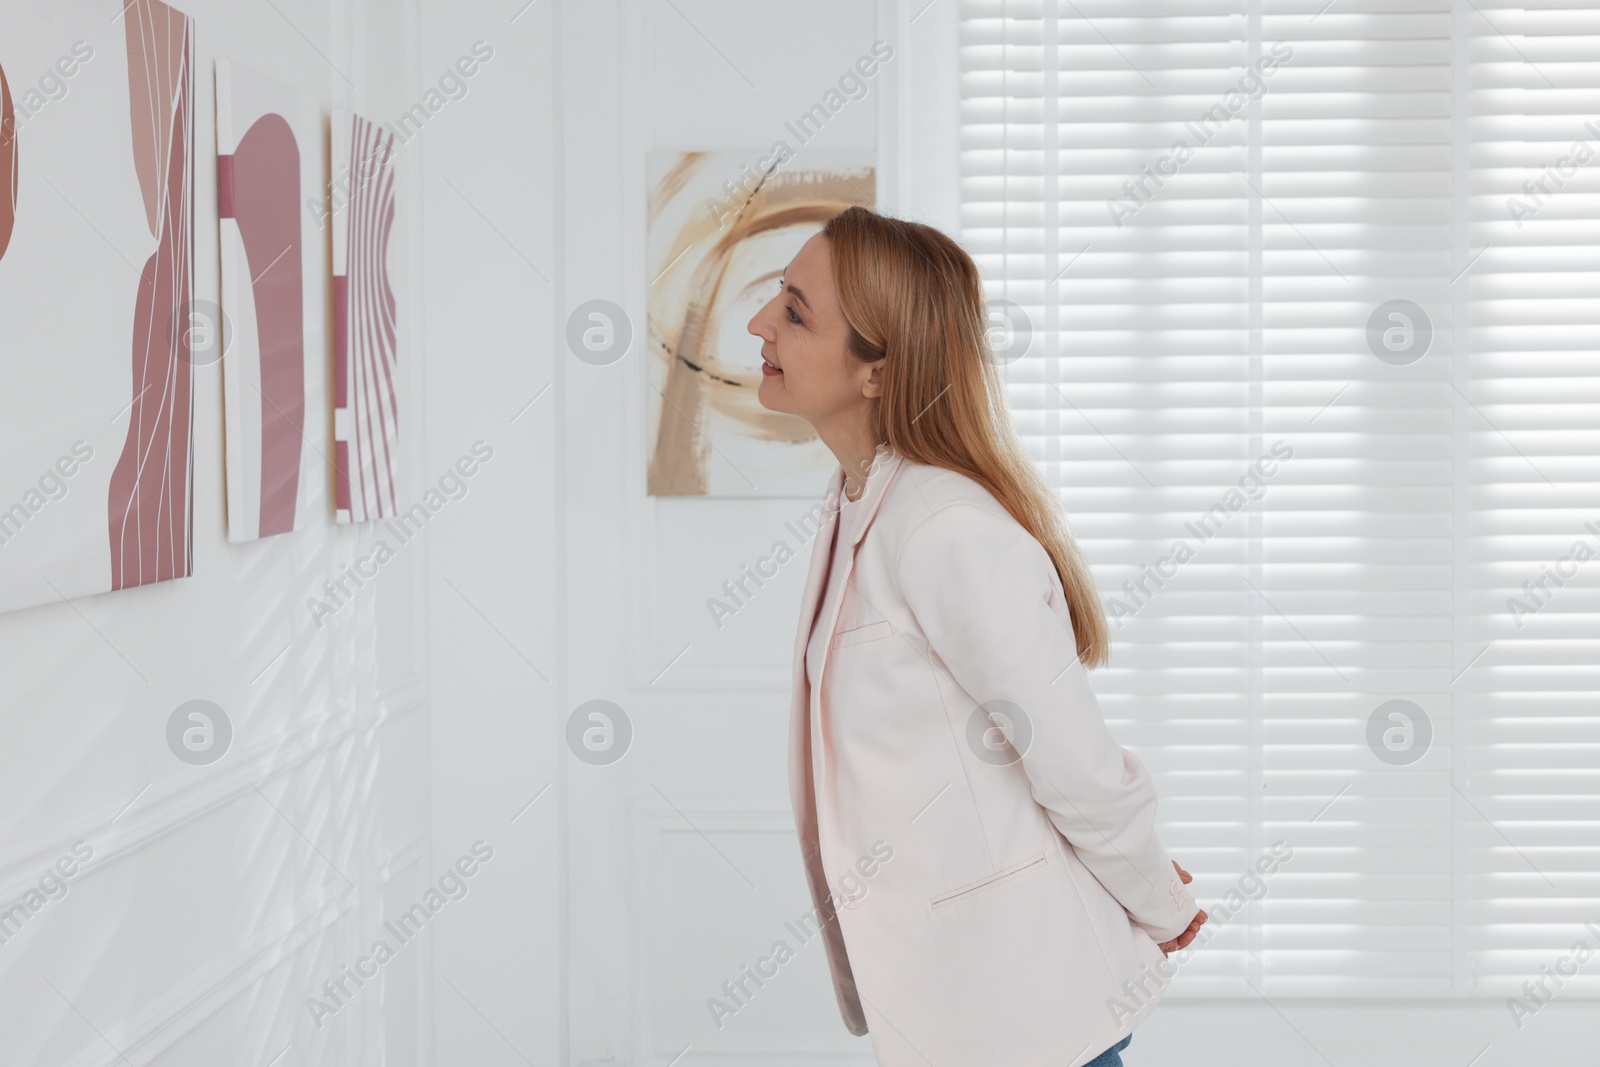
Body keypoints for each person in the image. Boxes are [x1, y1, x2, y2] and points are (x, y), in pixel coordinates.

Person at [747, 206, 1207, 1067]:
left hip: (1029, 1014)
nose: (758, 322)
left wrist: (1161, 904)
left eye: (796, 310)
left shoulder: (943, 526)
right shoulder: (855, 505)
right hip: (954, 1010)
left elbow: (1070, 755)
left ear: (877, 370)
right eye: (780, 296)